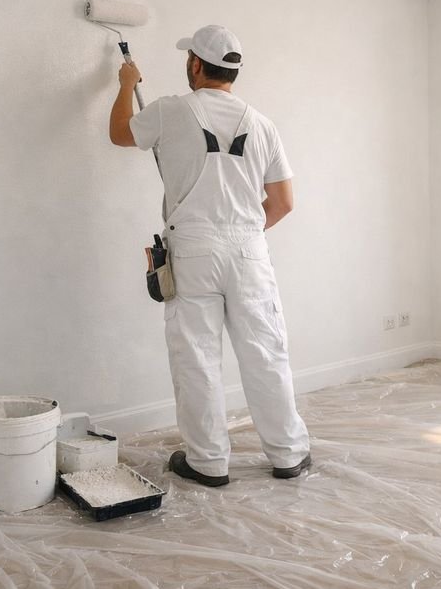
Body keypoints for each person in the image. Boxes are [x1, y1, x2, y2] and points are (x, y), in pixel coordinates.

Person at [108, 24, 310, 486]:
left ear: (196, 65)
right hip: (249, 248)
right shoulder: (263, 124)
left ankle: (208, 462)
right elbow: (282, 204)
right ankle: (288, 455)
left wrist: (124, 85)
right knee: (266, 353)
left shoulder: (169, 111)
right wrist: (241, 233)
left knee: (196, 357)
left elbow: (120, 133)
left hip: (193, 248)